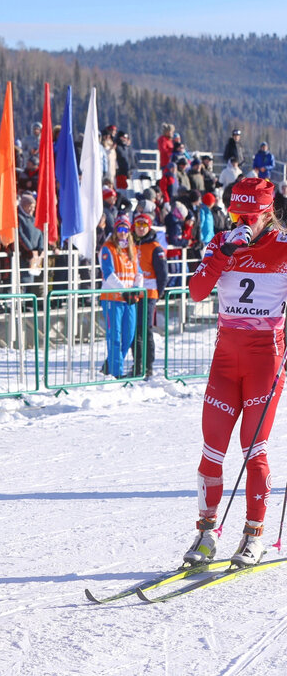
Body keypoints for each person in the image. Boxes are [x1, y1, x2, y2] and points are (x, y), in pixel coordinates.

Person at [183, 178, 287, 568]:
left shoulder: (283, 246)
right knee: (211, 450)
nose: (243, 222)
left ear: (268, 214)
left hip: (265, 362)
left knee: (253, 450)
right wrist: (224, 253)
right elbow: (196, 291)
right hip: (225, 363)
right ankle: (206, 533)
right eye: (236, 215)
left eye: (251, 216)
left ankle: (253, 534)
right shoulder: (221, 244)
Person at [98, 215, 140, 378]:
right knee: (114, 336)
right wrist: (124, 290)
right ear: (115, 231)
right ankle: (116, 372)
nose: (123, 233)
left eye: (126, 229)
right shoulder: (108, 248)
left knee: (128, 336)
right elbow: (108, 273)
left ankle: (111, 364)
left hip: (129, 299)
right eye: (120, 229)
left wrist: (136, 288)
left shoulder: (132, 249)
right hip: (113, 298)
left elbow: (138, 272)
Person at [131, 212, 167, 377]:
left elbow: (163, 274)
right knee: (134, 330)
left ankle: (148, 365)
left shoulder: (155, 247)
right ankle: (137, 364)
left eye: (144, 225)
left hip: (148, 293)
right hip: (133, 293)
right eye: (138, 225)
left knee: (145, 329)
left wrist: (157, 294)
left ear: (149, 227)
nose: (141, 228)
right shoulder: (131, 244)